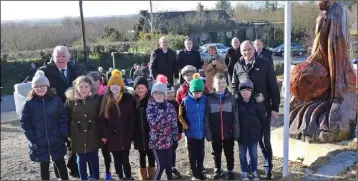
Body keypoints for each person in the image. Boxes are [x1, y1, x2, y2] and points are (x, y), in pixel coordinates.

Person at [231, 40, 280, 179]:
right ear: (241, 52)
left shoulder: (265, 63)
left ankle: (267, 167)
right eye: (244, 50)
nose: (247, 52)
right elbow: (234, 87)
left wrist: (275, 107)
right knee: (247, 140)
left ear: (254, 49)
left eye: (249, 49)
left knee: (264, 140)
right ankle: (250, 170)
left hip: (262, 109)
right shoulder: (237, 66)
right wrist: (238, 102)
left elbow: (274, 87)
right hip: (245, 110)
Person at [38, 45, 80, 178]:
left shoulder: (75, 69)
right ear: (53, 57)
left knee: (74, 142)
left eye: (63, 56)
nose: (61, 59)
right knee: (58, 144)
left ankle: (74, 168)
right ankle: (59, 174)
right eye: (58, 56)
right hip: (54, 114)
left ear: (68, 57)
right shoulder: (44, 72)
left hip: (73, 112)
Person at [20, 70, 69, 180]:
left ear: (48, 86)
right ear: (33, 88)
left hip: (56, 138)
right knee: (44, 166)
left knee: (60, 164)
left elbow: (63, 117)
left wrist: (62, 133)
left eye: (43, 86)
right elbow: (25, 122)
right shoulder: (29, 103)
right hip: (39, 141)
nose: (40, 88)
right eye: (37, 86)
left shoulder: (56, 100)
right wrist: (33, 138)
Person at [64, 76, 103, 180]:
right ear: (76, 87)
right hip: (77, 133)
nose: (83, 89)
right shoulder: (70, 100)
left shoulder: (97, 99)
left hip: (93, 132)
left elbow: (101, 117)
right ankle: (83, 178)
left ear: (91, 86)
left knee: (94, 157)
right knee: (81, 159)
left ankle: (95, 177)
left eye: (86, 86)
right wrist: (68, 134)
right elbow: (66, 118)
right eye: (80, 87)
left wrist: (102, 133)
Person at [100, 69, 135, 180]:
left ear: (121, 86)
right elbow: (102, 119)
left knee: (125, 157)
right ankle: (120, 175)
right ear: (109, 86)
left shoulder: (128, 98)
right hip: (112, 135)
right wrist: (105, 134)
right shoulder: (106, 99)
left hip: (125, 134)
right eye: (112, 84)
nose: (115, 87)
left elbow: (132, 117)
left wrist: (130, 132)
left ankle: (128, 176)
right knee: (116, 157)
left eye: (117, 85)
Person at [205, 73, 239, 180]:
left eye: (223, 82)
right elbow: (206, 117)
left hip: (228, 132)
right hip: (215, 132)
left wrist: (236, 131)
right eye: (218, 83)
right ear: (213, 85)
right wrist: (208, 132)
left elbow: (235, 116)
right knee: (216, 152)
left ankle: (230, 170)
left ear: (226, 84)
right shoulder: (209, 99)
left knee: (229, 152)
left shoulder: (231, 98)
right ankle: (218, 168)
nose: (221, 85)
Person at [146, 75, 178, 180]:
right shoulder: (150, 107)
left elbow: (174, 123)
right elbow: (154, 124)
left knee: (169, 166)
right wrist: (162, 112)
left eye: (161, 93)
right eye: (156, 93)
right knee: (161, 166)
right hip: (156, 142)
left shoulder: (170, 106)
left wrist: (174, 137)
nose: (158, 95)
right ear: (152, 94)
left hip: (168, 141)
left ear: (165, 95)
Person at [178, 73, 207, 180]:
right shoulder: (185, 102)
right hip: (190, 134)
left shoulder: (205, 99)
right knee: (192, 154)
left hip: (201, 133)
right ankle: (194, 171)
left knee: (201, 153)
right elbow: (180, 116)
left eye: (200, 92)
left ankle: (200, 170)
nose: (198, 94)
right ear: (191, 91)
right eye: (195, 92)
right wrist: (186, 127)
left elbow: (207, 114)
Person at [236, 79, 266, 180]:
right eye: (243, 90)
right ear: (239, 92)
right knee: (242, 154)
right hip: (241, 135)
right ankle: (244, 171)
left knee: (253, 154)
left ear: (251, 91)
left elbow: (262, 117)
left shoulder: (256, 104)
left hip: (253, 135)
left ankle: (254, 171)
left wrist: (258, 129)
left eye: (248, 90)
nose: (245, 92)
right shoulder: (237, 104)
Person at [132, 76, 156, 180]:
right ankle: (143, 176)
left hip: (149, 133)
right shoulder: (132, 100)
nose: (140, 90)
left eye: (143, 88)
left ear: (146, 88)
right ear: (134, 89)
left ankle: (152, 175)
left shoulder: (151, 100)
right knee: (141, 155)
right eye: (138, 88)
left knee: (151, 154)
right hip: (138, 134)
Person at [166, 83, 183, 179]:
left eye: (172, 92)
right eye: (168, 93)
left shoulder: (177, 104)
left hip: (174, 132)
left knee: (173, 149)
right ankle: (167, 168)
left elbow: (179, 119)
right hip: (164, 133)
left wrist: (180, 131)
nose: (170, 94)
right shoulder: (161, 104)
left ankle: (172, 167)